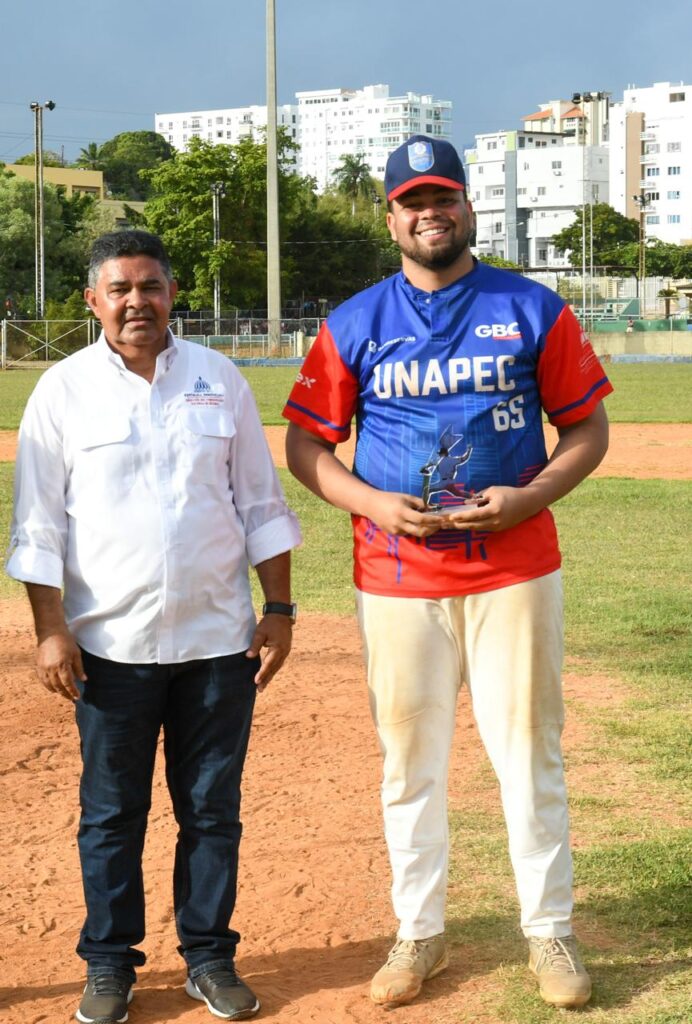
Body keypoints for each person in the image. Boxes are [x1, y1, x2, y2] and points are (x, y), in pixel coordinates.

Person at [284, 135, 612, 1011]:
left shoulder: (531, 307)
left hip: (513, 567)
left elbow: (587, 432)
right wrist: (373, 504)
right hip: (396, 574)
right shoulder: (355, 322)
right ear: (390, 215)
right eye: (412, 200)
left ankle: (548, 930)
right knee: (410, 762)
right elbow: (307, 446)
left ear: (468, 208)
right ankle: (418, 935)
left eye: (445, 197)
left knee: (527, 755)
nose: (431, 212)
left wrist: (529, 497)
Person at [6, 230, 301, 1024]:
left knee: (212, 810)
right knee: (111, 814)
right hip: (109, 649)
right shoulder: (62, 393)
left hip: (218, 644)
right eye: (121, 289)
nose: (138, 301)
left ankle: (209, 958)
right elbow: (37, 528)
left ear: (173, 294)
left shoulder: (219, 378)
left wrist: (277, 610)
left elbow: (259, 504)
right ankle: (109, 966)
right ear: (93, 301)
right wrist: (51, 629)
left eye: (151, 286)